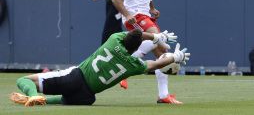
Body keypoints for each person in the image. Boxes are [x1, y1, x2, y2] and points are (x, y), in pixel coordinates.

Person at [10, 29, 190, 106]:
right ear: (136, 49)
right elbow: (156, 64)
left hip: (75, 77)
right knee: (64, 99)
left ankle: (33, 95)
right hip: (87, 97)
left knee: (23, 80)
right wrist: (175, 57)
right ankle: (41, 101)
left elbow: (135, 35)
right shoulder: (133, 64)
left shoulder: (114, 39)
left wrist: (155, 37)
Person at [112, 0, 182, 104]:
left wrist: (152, 8)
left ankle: (163, 95)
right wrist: (127, 14)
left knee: (162, 53)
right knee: (158, 38)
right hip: (134, 17)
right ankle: (125, 66)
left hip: (146, 16)